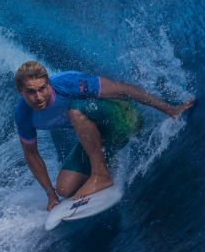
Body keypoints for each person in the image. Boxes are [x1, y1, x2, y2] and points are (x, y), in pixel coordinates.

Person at [13, 61, 195, 210]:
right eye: (31, 92)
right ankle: (102, 162)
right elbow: (31, 154)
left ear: (49, 84)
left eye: (42, 88)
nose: (38, 96)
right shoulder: (23, 114)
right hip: (104, 136)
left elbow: (124, 90)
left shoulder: (68, 84)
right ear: (21, 92)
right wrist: (51, 195)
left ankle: (101, 175)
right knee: (64, 188)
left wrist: (170, 109)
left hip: (125, 119)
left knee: (75, 111)